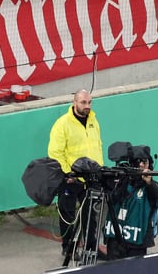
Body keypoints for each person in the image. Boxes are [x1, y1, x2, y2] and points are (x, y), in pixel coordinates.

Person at [47, 89, 103, 265]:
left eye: (89, 102)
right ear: (74, 103)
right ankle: (68, 248)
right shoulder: (62, 124)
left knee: (90, 216)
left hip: (90, 178)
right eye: (83, 102)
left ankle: (90, 247)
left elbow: (97, 147)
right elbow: (55, 152)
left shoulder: (94, 121)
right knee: (67, 214)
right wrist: (66, 173)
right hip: (70, 178)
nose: (87, 106)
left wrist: (99, 170)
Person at [100, 153, 158, 260]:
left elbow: (156, 194)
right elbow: (111, 194)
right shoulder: (120, 181)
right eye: (138, 161)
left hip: (137, 242)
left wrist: (149, 182)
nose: (141, 165)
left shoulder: (151, 186)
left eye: (144, 162)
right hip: (115, 239)